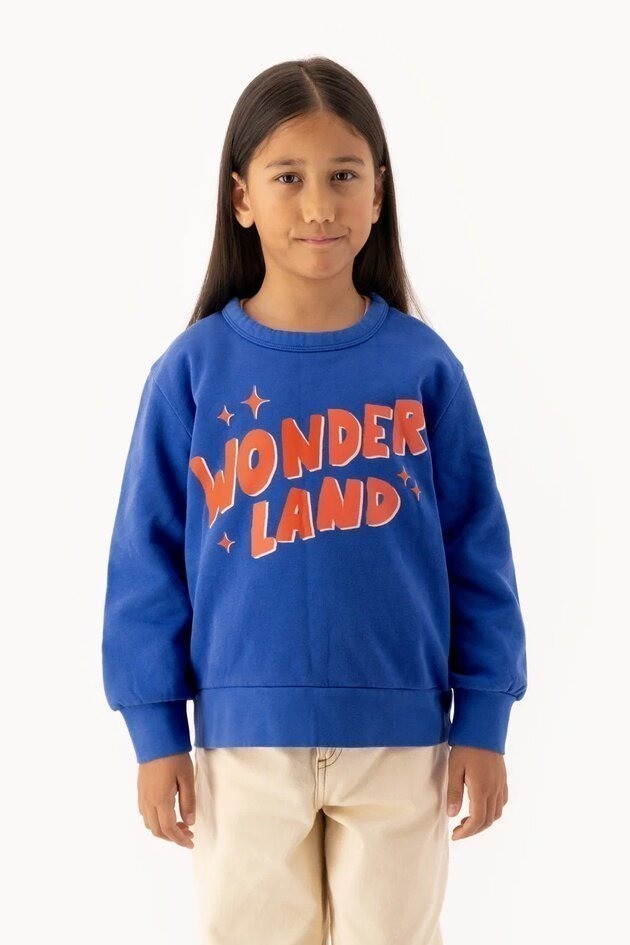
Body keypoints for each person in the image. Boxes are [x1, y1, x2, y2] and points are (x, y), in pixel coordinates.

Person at [102, 55, 528, 945]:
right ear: (241, 197)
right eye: (288, 177)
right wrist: (155, 731)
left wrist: (484, 718)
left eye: (343, 175)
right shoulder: (192, 371)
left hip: (400, 739)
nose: (319, 206)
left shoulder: (423, 366)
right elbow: (146, 565)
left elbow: (477, 551)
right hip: (243, 744)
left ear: (379, 193)